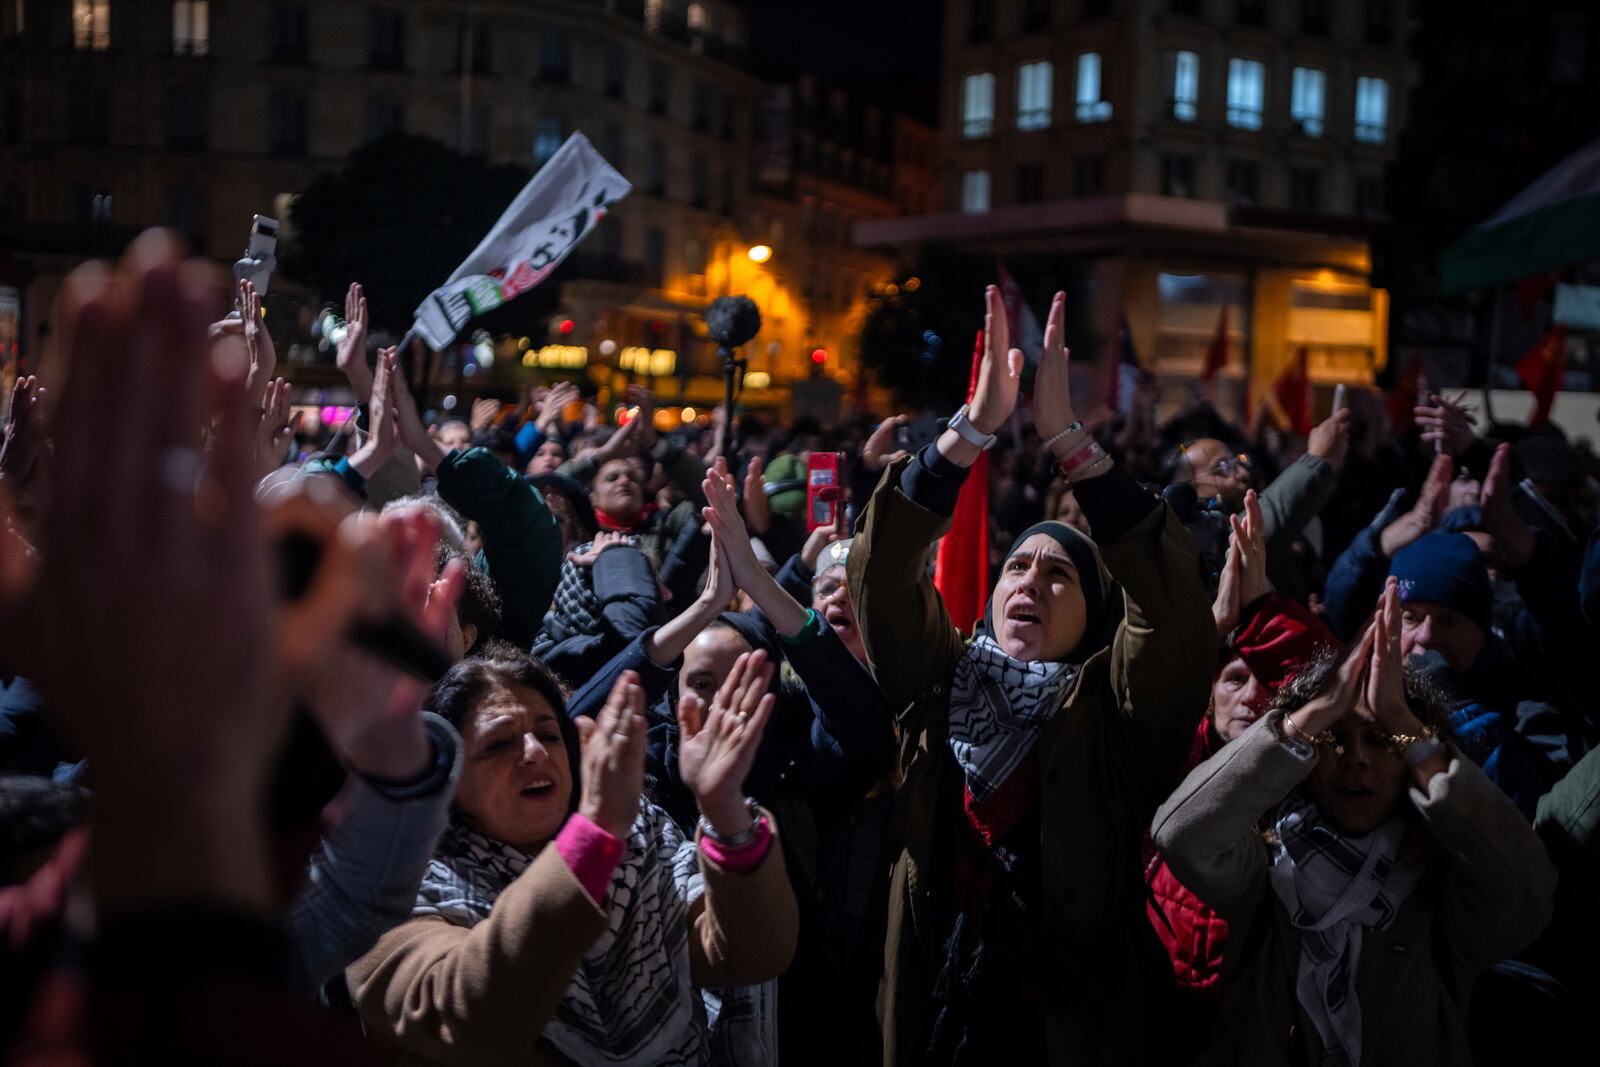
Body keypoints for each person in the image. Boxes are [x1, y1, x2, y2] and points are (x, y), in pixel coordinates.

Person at [851, 287, 1213, 1064]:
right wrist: (971, 429)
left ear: (1097, 621)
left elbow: (1172, 608)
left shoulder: (1116, 714)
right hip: (938, 1026)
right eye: (1016, 567)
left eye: (1060, 576)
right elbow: (880, 571)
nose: (1029, 584)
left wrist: (1069, 440)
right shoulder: (939, 679)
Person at [1152, 580, 1556, 1066]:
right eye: (1333, 738)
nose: (1357, 759)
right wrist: (1315, 710)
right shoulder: (1266, 872)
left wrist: (1408, 726)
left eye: (1382, 738)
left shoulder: (1442, 892)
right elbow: (1180, 835)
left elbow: (1529, 894)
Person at [346, 655, 799, 1065]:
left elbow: (749, 956)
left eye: (547, 734)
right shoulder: (390, 894)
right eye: (499, 743)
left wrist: (723, 809)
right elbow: (472, 1018)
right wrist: (590, 844)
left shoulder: (635, 837)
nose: (536, 753)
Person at [1144, 490, 1337, 1055]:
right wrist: (1216, 624)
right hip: (1153, 1006)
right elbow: (1156, 693)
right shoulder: (1173, 757)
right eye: (1233, 679)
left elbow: (1328, 691)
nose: (1253, 697)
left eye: (1267, 682)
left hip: (1254, 1015)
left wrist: (1261, 613)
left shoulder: (1310, 775)